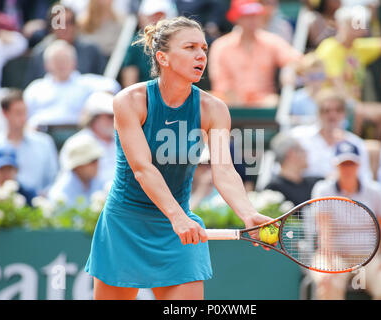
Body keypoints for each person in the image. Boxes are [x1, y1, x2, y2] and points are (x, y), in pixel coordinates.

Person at [84, 16, 275, 300]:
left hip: (179, 227)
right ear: (163, 57)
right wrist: (178, 218)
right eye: (190, 48)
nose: (201, 55)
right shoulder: (129, 101)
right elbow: (142, 169)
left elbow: (223, 170)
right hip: (126, 224)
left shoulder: (214, 109)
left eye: (204, 48)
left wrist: (247, 212)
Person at [310, 140, 381, 300]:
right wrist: (329, 261)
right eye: (343, 164)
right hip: (334, 255)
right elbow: (324, 232)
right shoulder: (323, 189)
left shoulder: (375, 191)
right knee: (327, 284)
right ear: (335, 165)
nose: (347, 169)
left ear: (359, 165)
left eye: (351, 164)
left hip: (369, 258)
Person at [315, 5, 381, 140]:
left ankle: (369, 147)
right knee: (358, 112)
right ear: (340, 25)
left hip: (353, 103)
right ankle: (350, 147)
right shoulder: (329, 48)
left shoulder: (358, 46)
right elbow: (339, 88)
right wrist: (355, 105)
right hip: (332, 103)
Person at [208, 0, 302, 107]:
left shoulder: (271, 41)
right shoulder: (221, 46)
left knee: (273, 102)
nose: (253, 20)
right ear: (237, 18)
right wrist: (237, 102)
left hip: (264, 100)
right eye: (248, 16)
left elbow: (296, 59)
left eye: (255, 15)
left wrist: (290, 69)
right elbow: (221, 83)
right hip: (228, 102)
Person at [23, 39, 120, 128]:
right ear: (46, 65)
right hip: (43, 135)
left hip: (77, 132)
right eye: (56, 61)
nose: (61, 65)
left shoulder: (86, 83)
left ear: (74, 62)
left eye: (64, 60)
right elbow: (24, 115)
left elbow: (112, 86)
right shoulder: (35, 88)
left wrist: (91, 105)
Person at [291, 89, 373, 182]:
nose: (332, 115)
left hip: (342, 194)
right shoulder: (299, 137)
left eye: (338, 110)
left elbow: (365, 178)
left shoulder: (355, 143)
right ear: (318, 113)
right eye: (326, 110)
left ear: (345, 113)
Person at [0, 89, 59, 196]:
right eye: (18, 113)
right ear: (5, 113)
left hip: (37, 208)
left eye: (25, 112)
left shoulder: (44, 143)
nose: (23, 118)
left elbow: (53, 180)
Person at [23, 3, 107, 88]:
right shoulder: (40, 53)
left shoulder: (91, 50)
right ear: (51, 26)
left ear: (76, 24)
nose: (64, 27)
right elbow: (31, 87)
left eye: (70, 22)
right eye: (59, 22)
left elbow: (105, 83)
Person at [60, 91, 116, 185]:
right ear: (94, 118)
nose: (114, 120)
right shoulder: (77, 142)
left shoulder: (121, 141)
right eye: (110, 116)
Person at [120, 0, 177, 88]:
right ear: (142, 17)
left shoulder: (178, 42)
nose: (156, 20)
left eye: (160, 15)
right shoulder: (136, 44)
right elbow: (130, 76)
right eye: (151, 16)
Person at [264, 132, 322, 206]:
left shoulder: (315, 183)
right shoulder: (273, 188)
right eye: (303, 150)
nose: (307, 154)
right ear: (291, 154)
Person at [48, 134, 106, 208]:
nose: (97, 164)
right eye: (92, 161)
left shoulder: (98, 183)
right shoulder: (60, 194)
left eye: (97, 160)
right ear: (78, 166)